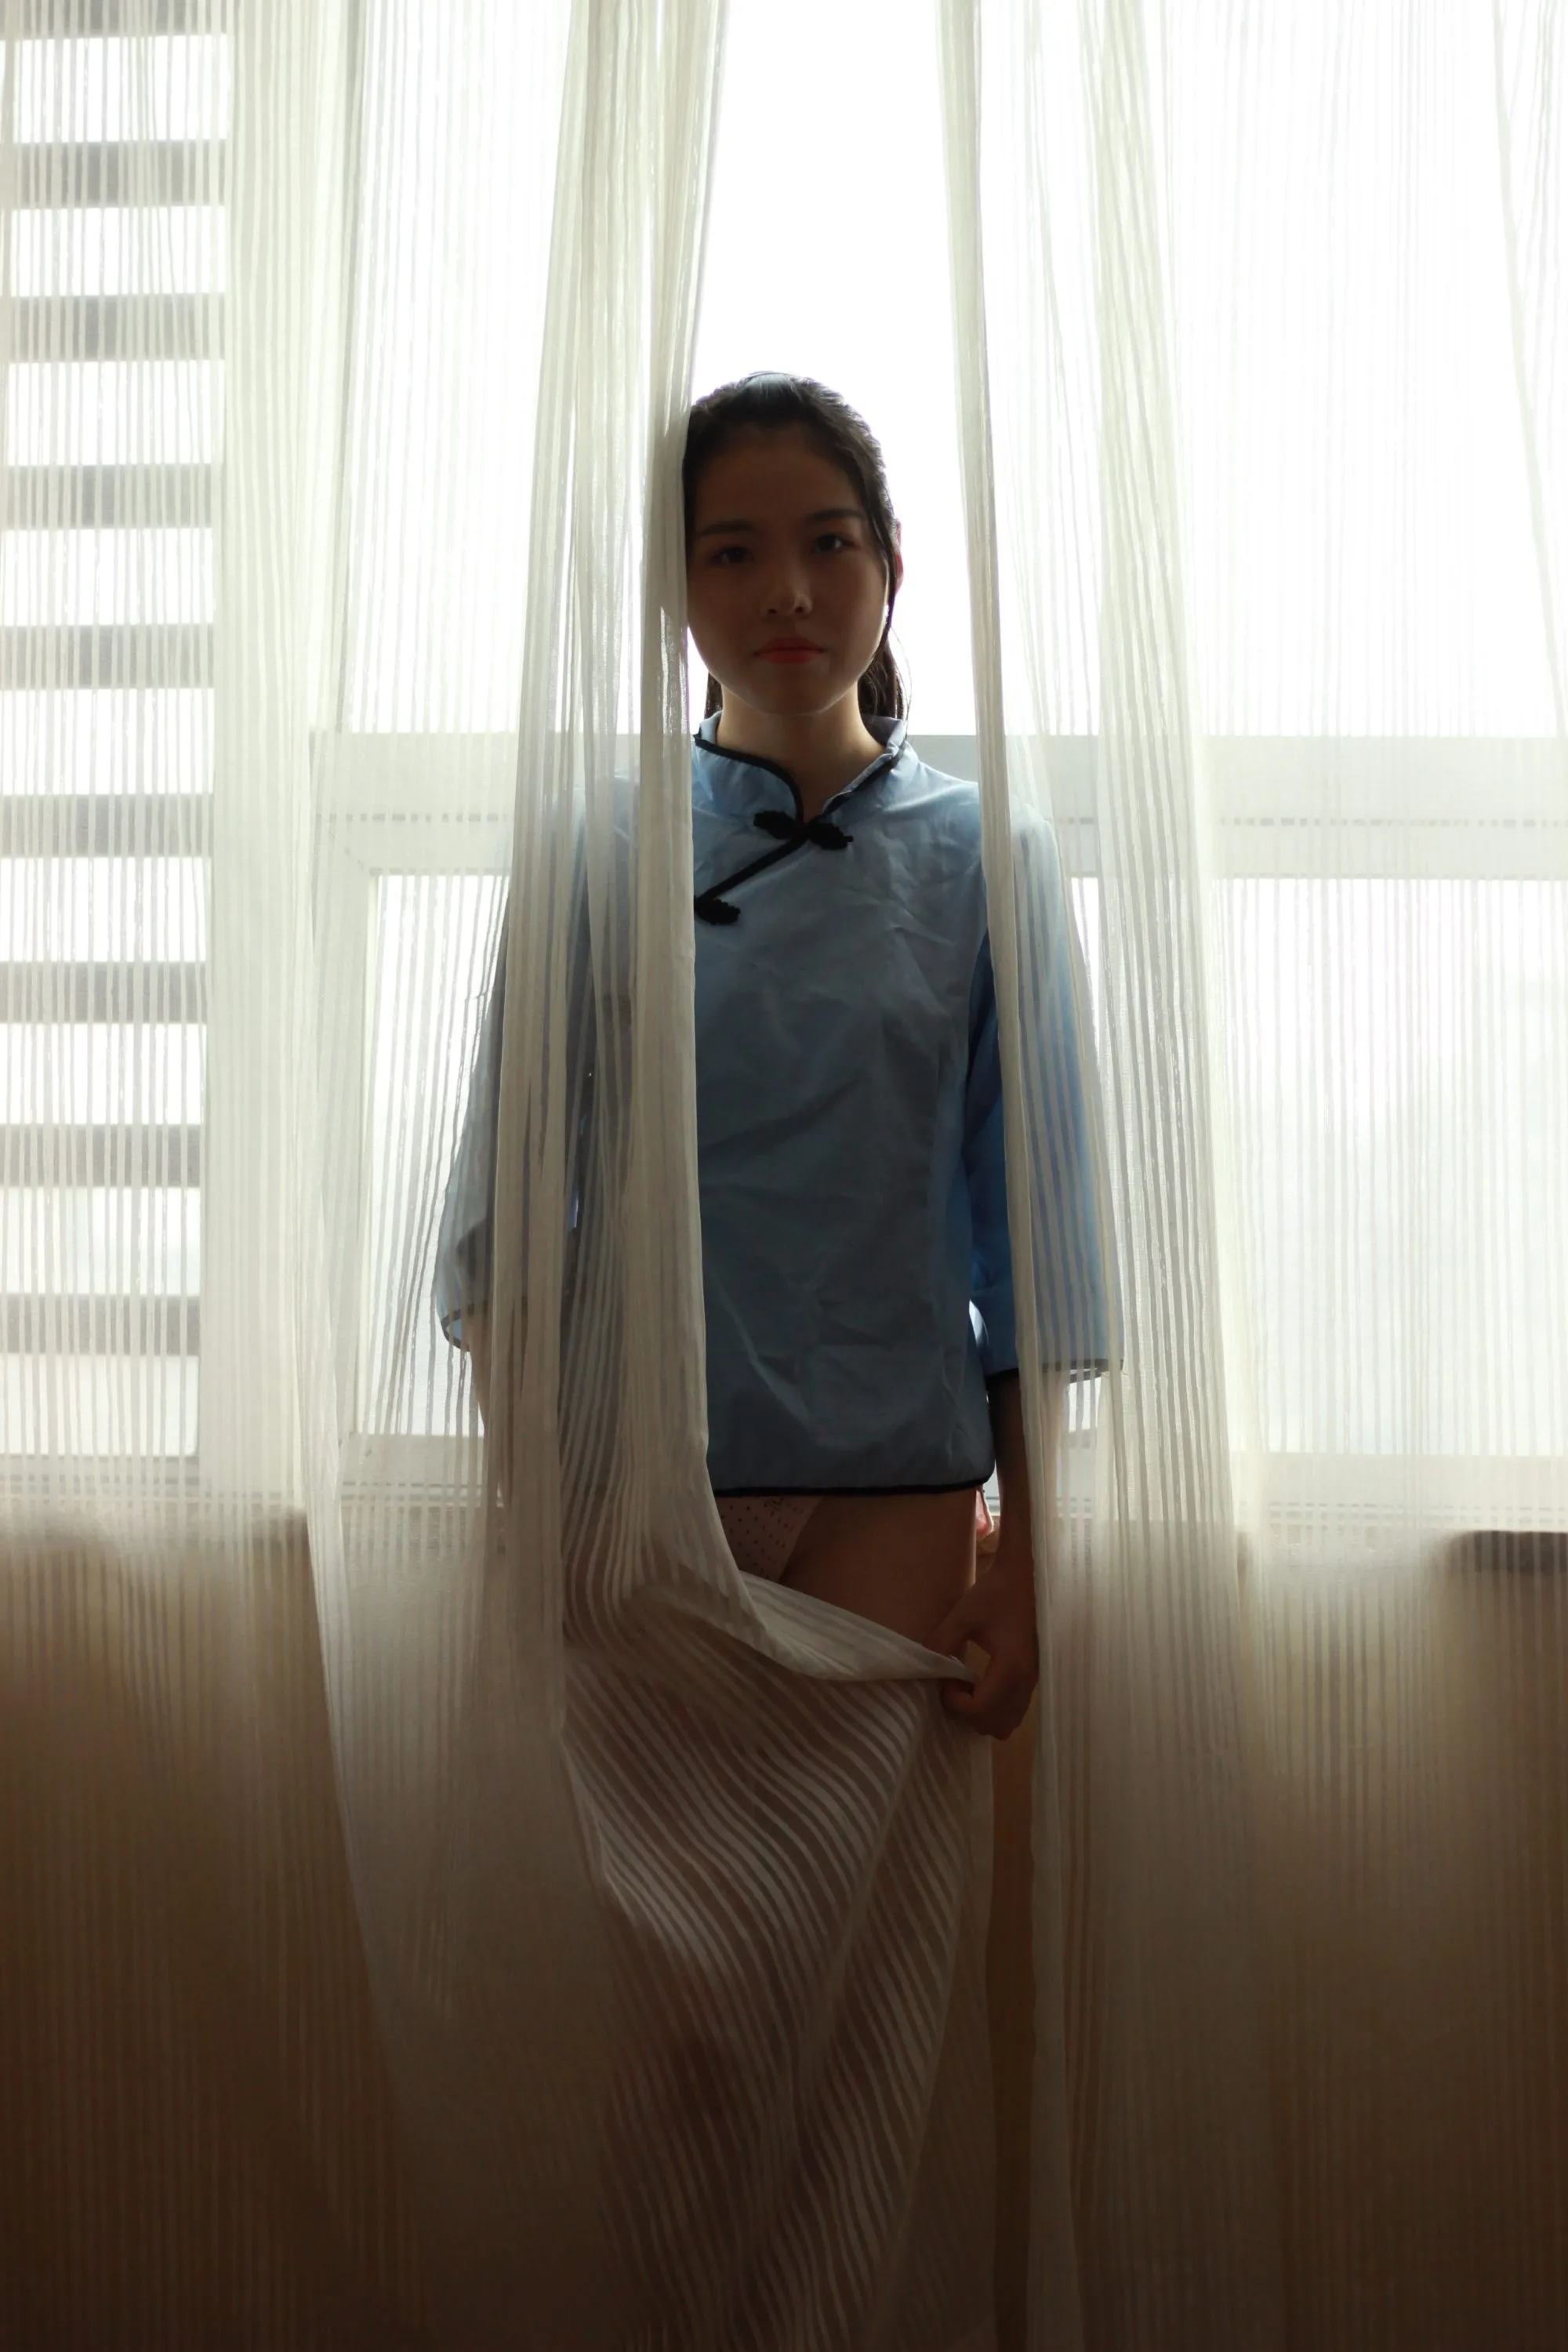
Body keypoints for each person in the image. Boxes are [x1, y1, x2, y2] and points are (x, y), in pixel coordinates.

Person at [436, 370, 1109, 1740]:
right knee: (651, 1891)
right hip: (631, 1498)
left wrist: (1030, 1564)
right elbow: (505, 1224)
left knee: (877, 1889)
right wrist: (532, 1512)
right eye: (733, 553)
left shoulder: (989, 856)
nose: (788, 593)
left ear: (892, 567)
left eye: (828, 542)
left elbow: (1036, 1252)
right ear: (676, 591)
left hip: (899, 1493)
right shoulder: (593, 847)